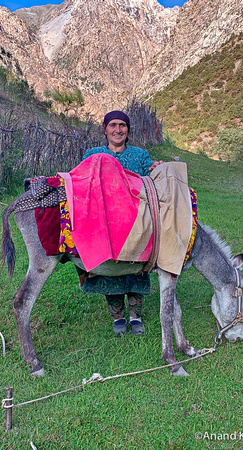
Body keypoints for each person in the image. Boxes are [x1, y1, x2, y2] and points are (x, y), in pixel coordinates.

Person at [81, 110, 163, 336]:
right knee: (111, 268)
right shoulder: (93, 154)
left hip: (136, 221)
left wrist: (156, 168)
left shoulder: (139, 155)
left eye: (123, 126)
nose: (118, 130)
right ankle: (118, 318)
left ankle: (136, 317)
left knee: (137, 265)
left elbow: (150, 175)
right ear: (105, 129)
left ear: (128, 130)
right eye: (113, 125)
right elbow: (82, 180)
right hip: (105, 223)